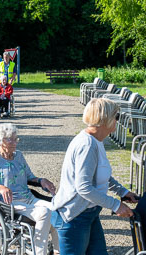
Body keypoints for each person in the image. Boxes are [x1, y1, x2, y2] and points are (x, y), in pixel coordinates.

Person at [51, 98, 138, 255]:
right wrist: (116, 205)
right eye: (116, 116)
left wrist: (123, 192)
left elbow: (101, 174)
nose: (118, 121)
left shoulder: (96, 140)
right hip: (74, 217)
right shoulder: (87, 145)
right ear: (106, 119)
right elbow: (84, 188)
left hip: (88, 213)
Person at [0, 123, 59, 255]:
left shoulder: (18, 155)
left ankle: (60, 251)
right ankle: (39, 252)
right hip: (9, 204)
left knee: (57, 209)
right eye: (10, 139)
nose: (15, 142)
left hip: (28, 199)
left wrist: (42, 181)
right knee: (44, 213)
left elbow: (30, 177)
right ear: (0, 141)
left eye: (16, 139)